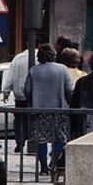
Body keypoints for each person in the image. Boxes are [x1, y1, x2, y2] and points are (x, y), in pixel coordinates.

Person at [25, 43, 74, 175]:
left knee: (41, 139)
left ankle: (43, 168)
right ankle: (54, 163)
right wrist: (69, 103)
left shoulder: (33, 71)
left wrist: (33, 101)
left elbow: (27, 91)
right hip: (59, 111)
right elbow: (69, 90)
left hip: (39, 111)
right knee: (60, 138)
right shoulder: (63, 70)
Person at [2, 47, 35, 153]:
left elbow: (10, 76)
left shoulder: (17, 58)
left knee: (20, 120)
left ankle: (20, 142)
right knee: (33, 120)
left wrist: (6, 92)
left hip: (20, 97)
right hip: (34, 98)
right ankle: (33, 140)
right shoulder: (39, 58)